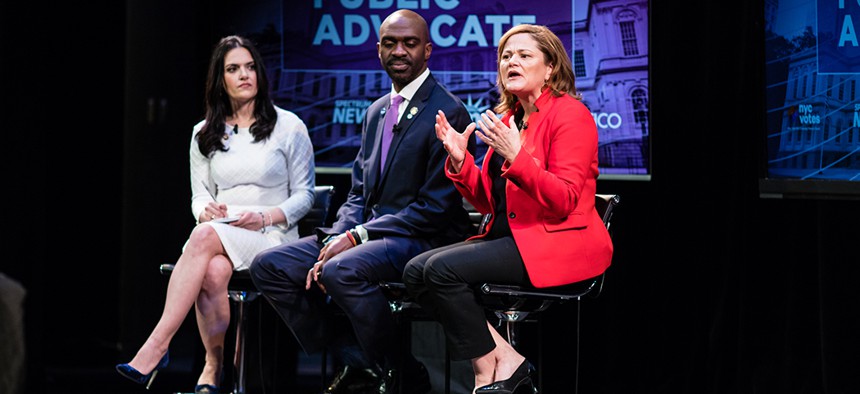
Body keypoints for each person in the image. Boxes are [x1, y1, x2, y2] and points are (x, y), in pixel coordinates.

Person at [249, 9, 474, 394]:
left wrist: (355, 237)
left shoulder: (447, 110)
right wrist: (335, 238)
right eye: (390, 43)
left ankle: (403, 373)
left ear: (428, 51)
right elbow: (358, 193)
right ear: (378, 50)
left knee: (341, 271)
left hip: (419, 239)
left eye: (410, 43)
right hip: (366, 236)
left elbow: (433, 209)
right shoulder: (376, 112)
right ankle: (357, 360)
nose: (399, 50)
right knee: (270, 265)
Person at [402, 24, 614, 394]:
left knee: (440, 270)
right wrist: (460, 162)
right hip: (513, 238)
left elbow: (564, 198)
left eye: (523, 55)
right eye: (505, 56)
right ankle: (507, 358)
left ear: (550, 68)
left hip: (557, 243)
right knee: (415, 271)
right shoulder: (507, 120)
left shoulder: (571, 116)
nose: (511, 61)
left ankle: (485, 374)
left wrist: (517, 156)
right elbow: (490, 203)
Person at [116, 35, 316, 394]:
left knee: (202, 237)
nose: (244, 75)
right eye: (233, 69)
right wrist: (205, 210)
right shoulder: (203, 133)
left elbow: (305, 196)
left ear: (260, 73)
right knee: (211, 268)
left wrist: (265, 218)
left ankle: (160, 345)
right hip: (221, 235)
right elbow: (199, 197)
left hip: (273, 238)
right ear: (220, 78)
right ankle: (216, 362)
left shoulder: (290, 126)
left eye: (250, 67)